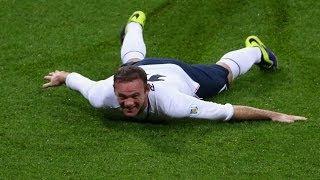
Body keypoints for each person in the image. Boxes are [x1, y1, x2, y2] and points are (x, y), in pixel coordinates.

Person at [43, 11, 306, 123]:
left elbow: (227, 112)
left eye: (135, 96)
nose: (129, 103)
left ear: (147, 89)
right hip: (142, 67)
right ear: (114, 88)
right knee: (132, 63)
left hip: (182, 74)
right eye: (123, 96)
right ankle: (134, 24)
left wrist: (274, 115)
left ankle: (256, 51)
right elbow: (77, 80)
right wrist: (61, 76)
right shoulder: (102, 95)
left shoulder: (173, 102)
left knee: (224, 73)